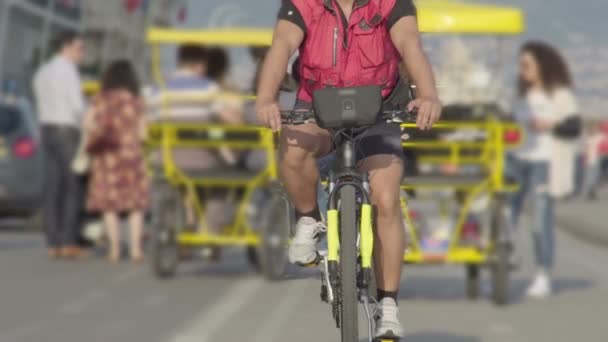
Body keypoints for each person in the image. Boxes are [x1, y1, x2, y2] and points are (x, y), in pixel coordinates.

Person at [255, 0, 441, 339]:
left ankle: (388, 308)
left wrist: (428, 94)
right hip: (319, 106)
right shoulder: (303, 3)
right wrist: (266, 98)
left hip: (379, 109)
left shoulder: (391, 4)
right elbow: (282, 45)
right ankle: (310, 218)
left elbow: (410, 44)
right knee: (293, 150)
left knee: (386, 200)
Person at [509, 41, 579, 298]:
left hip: (545, 162)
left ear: (542, 65)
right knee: (504, 212)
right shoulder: (519, 96)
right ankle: (505, 257)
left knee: (540, 221)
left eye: (527, 64)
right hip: (516, 158)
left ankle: (543, 273)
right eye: (521, 65)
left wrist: (548, 125)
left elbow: (573, 128)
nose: (522, 70)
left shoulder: (560, 95)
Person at [83, 60, 148, 263]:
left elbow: (86, 123)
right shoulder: (137, 101)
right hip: (132, 156)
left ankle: (115, 250)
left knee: (109, 205)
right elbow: (144, 133)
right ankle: (136, 250)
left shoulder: (100, 99)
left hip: (107, 158)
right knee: (135, 206)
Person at [33, 31, 87, 259]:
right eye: (79, 48)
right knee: (73, 185)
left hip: (47, 128)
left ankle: (52, 242)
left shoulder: (42, 71)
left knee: (53, 186)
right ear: (66, 48)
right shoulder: (69, 70)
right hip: (67, 129)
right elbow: (77, 106)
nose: (82, 54)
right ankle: (68, 241)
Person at [583, 121, 607, 200]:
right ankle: (590, 191)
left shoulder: (593, 137)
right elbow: (603, 148)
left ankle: (591, 190)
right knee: (593, 175)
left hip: (593, 158)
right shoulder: (599, 137)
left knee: (593, 175)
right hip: (594, 158)